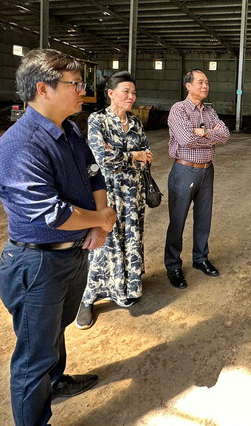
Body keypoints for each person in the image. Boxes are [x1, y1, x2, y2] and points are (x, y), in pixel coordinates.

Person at [0, 48, 117, 426]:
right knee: (33, 359)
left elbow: (94, 173)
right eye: (76, 84)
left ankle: (56, 382)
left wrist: (98, 224)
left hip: (70, 255)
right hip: (37, 262)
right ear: (43, 89)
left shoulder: (70, 130)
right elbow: (53, 213)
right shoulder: (19, 145)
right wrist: (103, 217)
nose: (84, 91)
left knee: (54, 331)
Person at [75, 71, 153, 330]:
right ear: (110, 94)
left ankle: (125, 290)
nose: (131, 97)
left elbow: (147, 154)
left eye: (133, 93)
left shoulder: (137, 124)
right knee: (103, 245)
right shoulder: (98, 121)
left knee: (131, 241)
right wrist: (134, 156)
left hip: (134, 195)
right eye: (125, 92)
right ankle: (87, 300)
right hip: (106, 194)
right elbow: (102, 159)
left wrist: (129, 155)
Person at [164, 68, 230, 289]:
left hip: (206, 171)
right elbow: (185, 140)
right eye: (200, 82)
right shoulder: (179, 110)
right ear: (188, 86)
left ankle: (200, 258)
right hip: (185, 171)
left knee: (204, 218)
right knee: (177, 220)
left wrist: (202, 132)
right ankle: (173, 265)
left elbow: (226, 135)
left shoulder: (209, 112)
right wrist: (211, 135)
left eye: (207, 83)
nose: (205, 86)